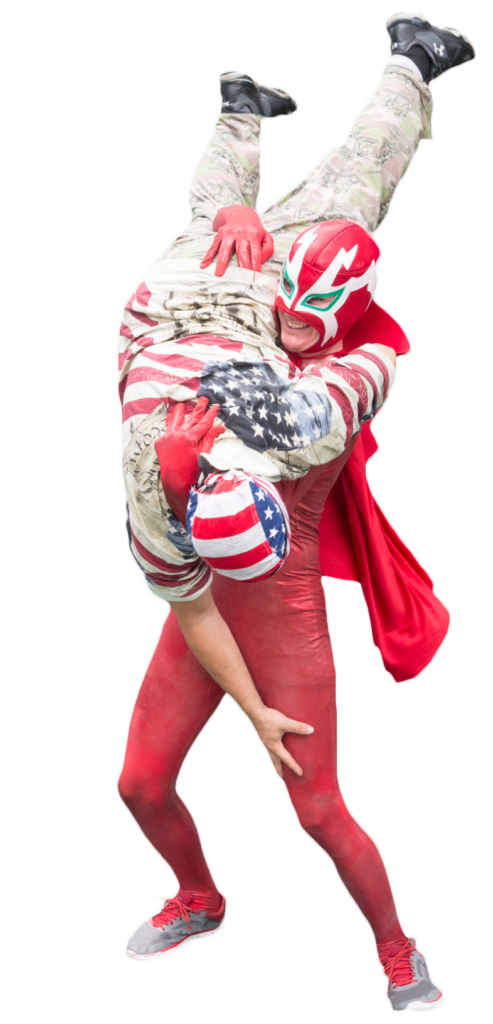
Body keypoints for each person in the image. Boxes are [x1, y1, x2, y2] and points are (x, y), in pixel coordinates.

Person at [116, 12, 475, 1012]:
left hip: (275, 586)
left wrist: (246, 237)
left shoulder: (298, 357)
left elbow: (221, 222)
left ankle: (396, 947)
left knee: (316, 805)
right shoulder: (162, 460)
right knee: (139, 782)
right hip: (225, 531)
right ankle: (198, 894)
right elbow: (193, 606)